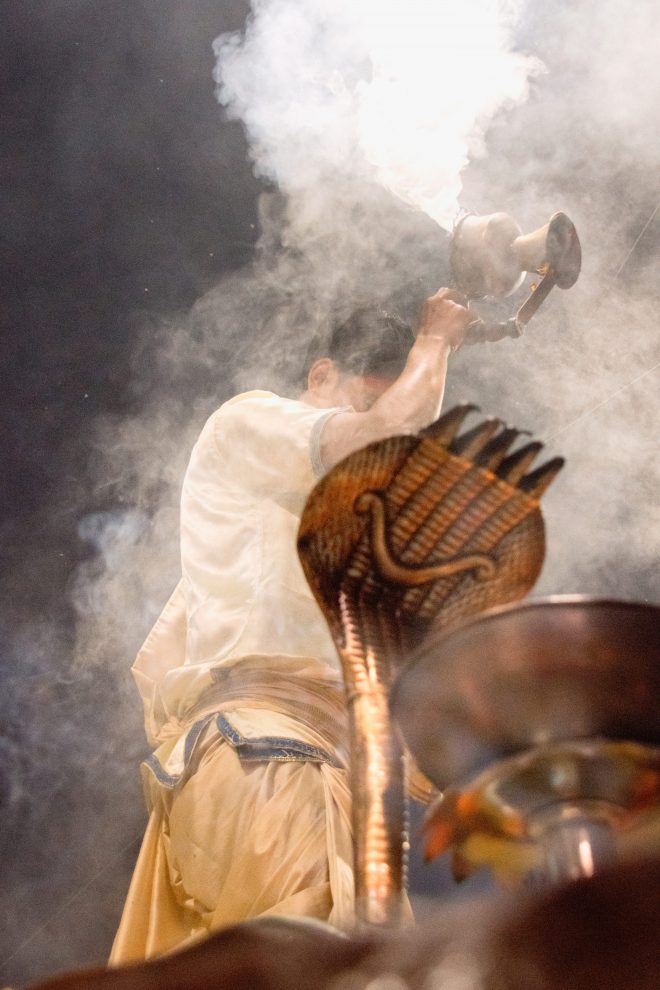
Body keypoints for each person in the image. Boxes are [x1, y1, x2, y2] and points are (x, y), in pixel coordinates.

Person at [110, 289, 471, 964]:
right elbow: (381, 434)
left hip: (321, 779)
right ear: (319, 376)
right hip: (264, 758)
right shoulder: (247, 423)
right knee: (321, 965)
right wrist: (436, 341)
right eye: (370, 400)